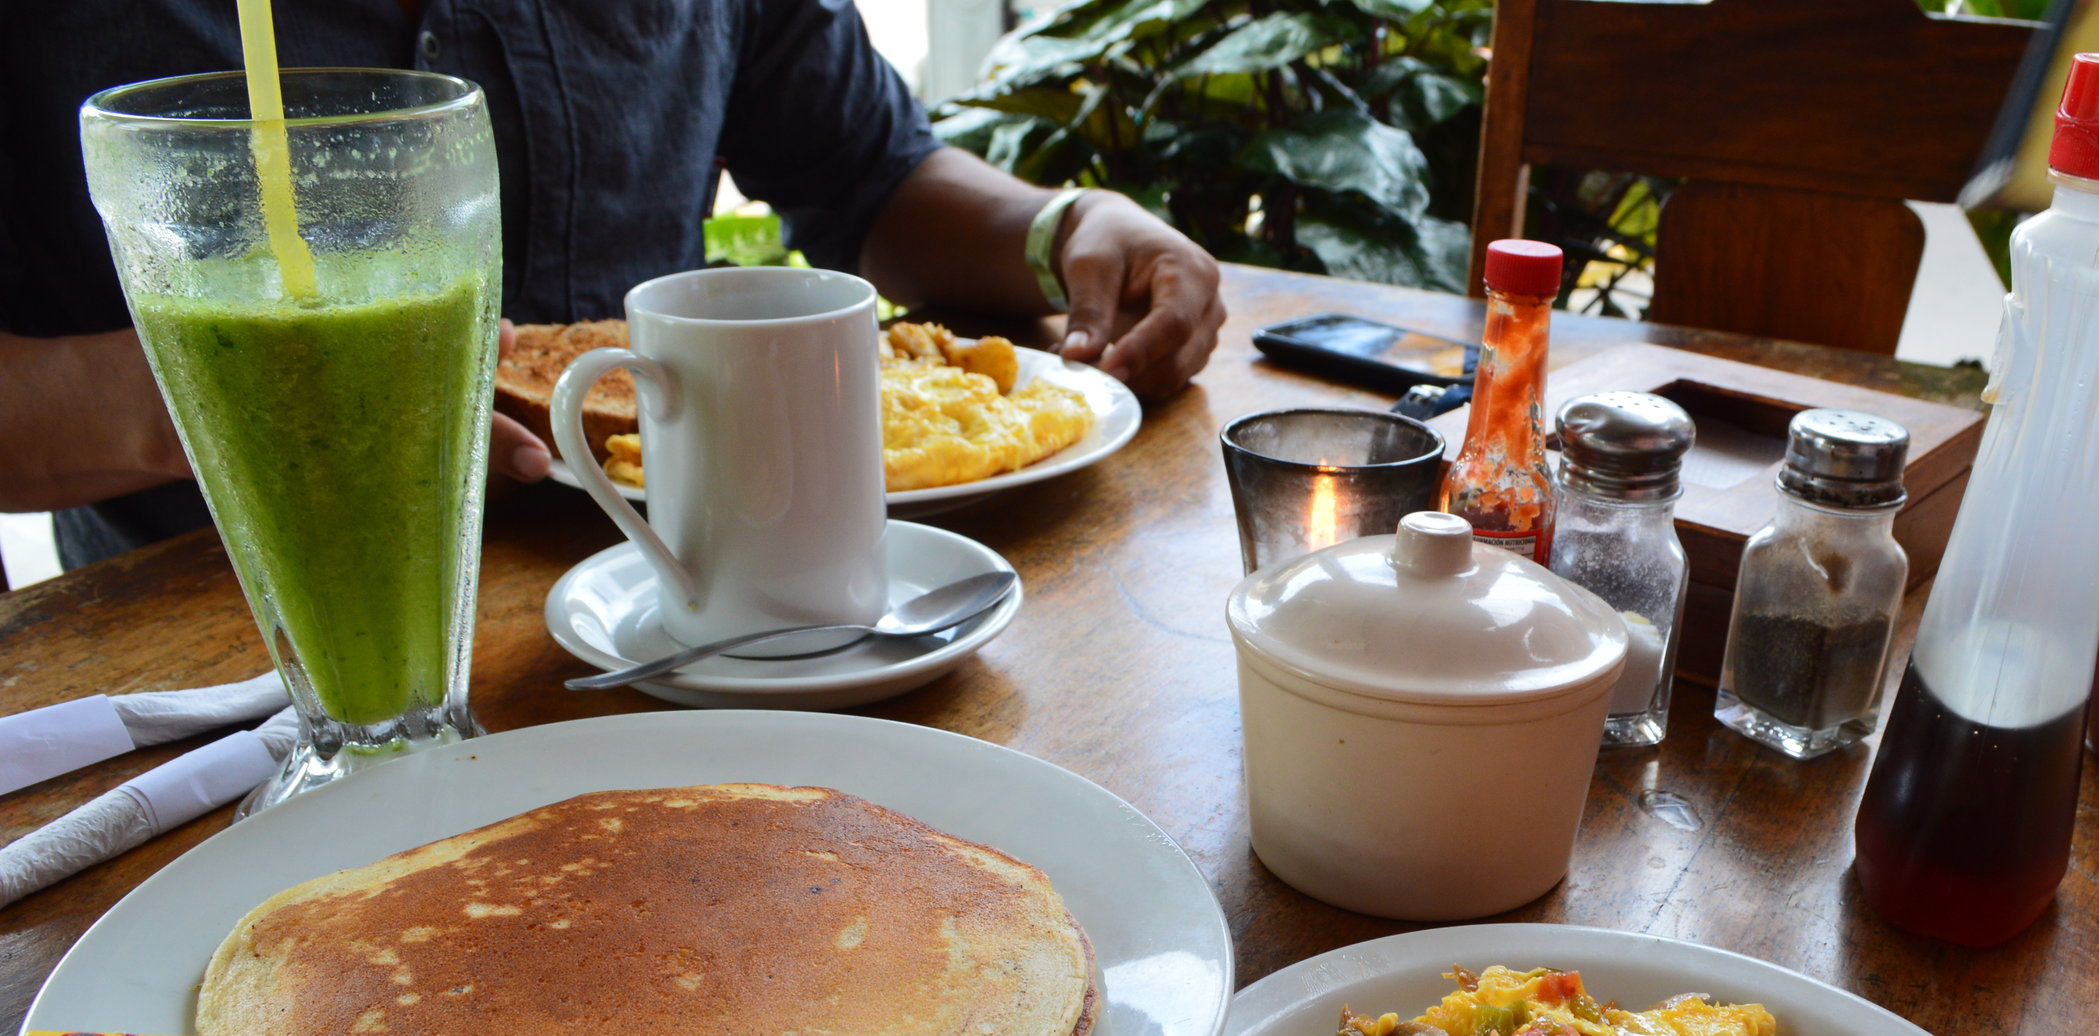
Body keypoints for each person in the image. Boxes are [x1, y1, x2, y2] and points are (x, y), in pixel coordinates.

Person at [0, 0, 1225, 568]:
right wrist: (229, 397)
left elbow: (869, 173)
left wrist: (1065, 226)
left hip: (702, 575)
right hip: (209, 645)